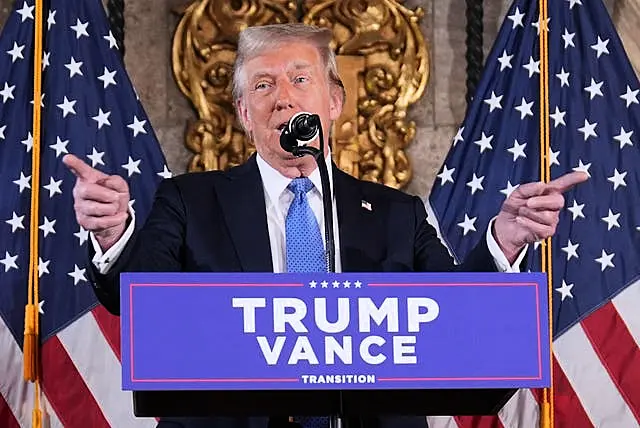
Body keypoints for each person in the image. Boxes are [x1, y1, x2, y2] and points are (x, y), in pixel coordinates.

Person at [62, 23, 587, 428]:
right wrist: (113, 235)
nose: (283, 97)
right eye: (263, 85)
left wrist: (504, 240)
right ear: (245, 114)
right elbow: (142, 300)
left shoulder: (397, 214)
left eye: (300, 78)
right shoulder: (188, 200)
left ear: (333, 101)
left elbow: (456, 326)